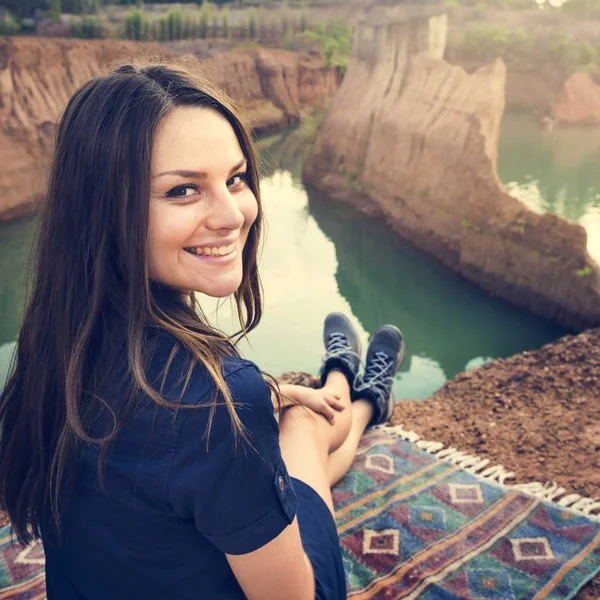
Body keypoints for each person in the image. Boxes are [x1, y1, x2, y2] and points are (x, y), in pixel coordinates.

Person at [0, 62, 406, 600]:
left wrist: (265, 392)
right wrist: (255, 401)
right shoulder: (214, 406)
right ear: (103, 208)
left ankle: (347, 384)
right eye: (184, 190)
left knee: (287, 413)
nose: (234, 215)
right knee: (305, 423)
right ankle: (357, 395)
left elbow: (150, 437)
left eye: (235, 179)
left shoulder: (58, 343)